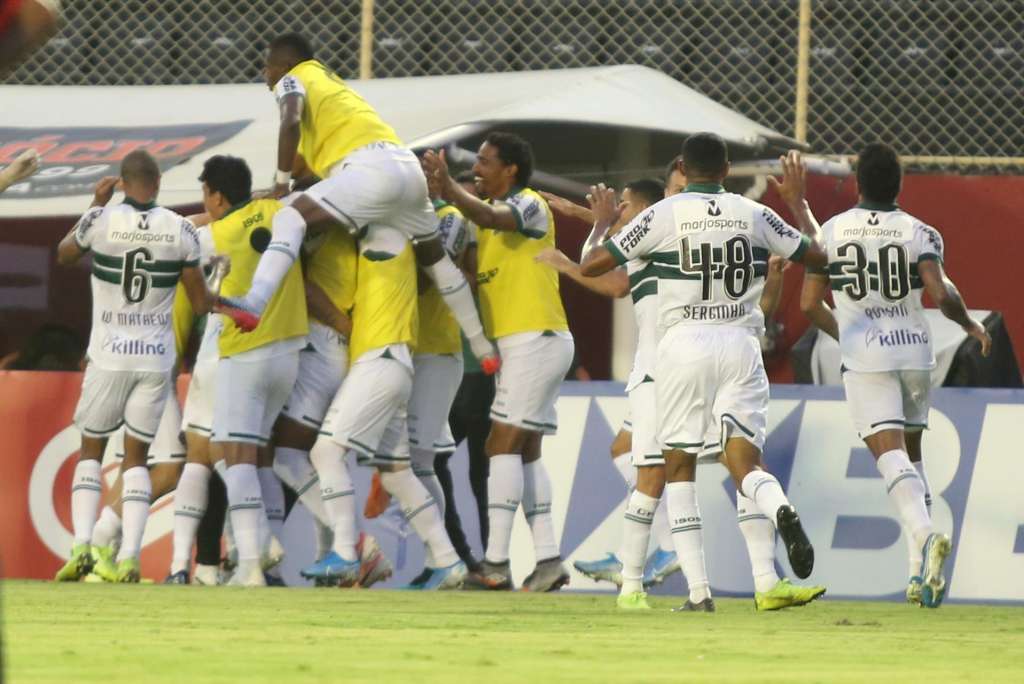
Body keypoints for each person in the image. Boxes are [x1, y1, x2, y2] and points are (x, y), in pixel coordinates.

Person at [580, 134, 829, 612]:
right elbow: (817, 255)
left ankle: (699, 594)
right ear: (728, 168)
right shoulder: (752, 213)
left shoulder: (662, 215)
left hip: (685, 345)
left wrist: (599, 226)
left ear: (681, 167)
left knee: (678, 466)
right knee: (746, 464)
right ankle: (779, 514)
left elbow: (593, 265)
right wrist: (799, 207)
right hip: (741, 342)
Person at [215, 33, 497, 375]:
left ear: (285, 65)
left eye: (268, 65)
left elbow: (289, 122)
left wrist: (279, 184)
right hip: (406, 167)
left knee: (289, 217)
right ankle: (483, 349)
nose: (265, 74)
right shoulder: (333, 86)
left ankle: (254, 303)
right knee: (438, 264)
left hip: (369, 170)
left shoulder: (294, 78)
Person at [800, 142, 991, 608]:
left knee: (889, 457)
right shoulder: (920, 232)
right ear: (900, 185)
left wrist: (845, 333)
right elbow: (937, 289)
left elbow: (808, 305)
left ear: (859, 183)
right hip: (914, 352)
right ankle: (916, 577)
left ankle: (926, 537)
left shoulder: (833, 230)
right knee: (913, 456)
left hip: (867, 358)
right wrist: (967, 323)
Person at [53, 151, 224, 583]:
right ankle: (129, 556)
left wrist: (95, 203)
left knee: (91, 451)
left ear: (123, 184)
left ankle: (81, 548)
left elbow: (64, 254)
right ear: (160, 181)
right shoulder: (181, 229)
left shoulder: (102, 220)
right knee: (137, 459)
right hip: (154, 359)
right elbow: (201, 302)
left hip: (108, 355)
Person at [422, 132, 574, 591]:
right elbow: (474, 268)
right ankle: (547, 560)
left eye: (486, 162)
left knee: (499, 446)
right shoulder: (486, 227)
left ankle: (495, 564)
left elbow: (488, 212)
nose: (478, 170)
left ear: (511, 169)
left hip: (536, 339)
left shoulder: (528, 205)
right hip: (528, 342)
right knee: (525, 451)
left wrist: (450, 190)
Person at [299, 221, 467, 590]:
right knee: (397, 472)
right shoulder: (395, 242)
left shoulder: (393, 237)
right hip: (396, 359)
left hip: (381, 356)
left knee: (325, 452)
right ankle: (448, 560)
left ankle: (345, 554)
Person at [537, 179, 683, 595]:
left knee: (654, 463)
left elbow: (610, 279)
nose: (618, 212)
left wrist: (571, 257)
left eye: (623, 205)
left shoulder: (656, 237)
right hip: (663, 360)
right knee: (627, 452)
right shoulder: (662, 232)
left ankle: (647, 556)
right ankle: (655, 552)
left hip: (664, 363)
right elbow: (626, 228)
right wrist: (585, 215)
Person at [199, 155, 309, 587]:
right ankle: (267, 547)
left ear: (218, 196)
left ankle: (250, 564)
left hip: (245, 352)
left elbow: (183, 242)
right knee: (258, 453)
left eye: (206, 195)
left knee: (235, 455)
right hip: (289, 355)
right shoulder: (281, 211)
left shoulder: (215, 236)